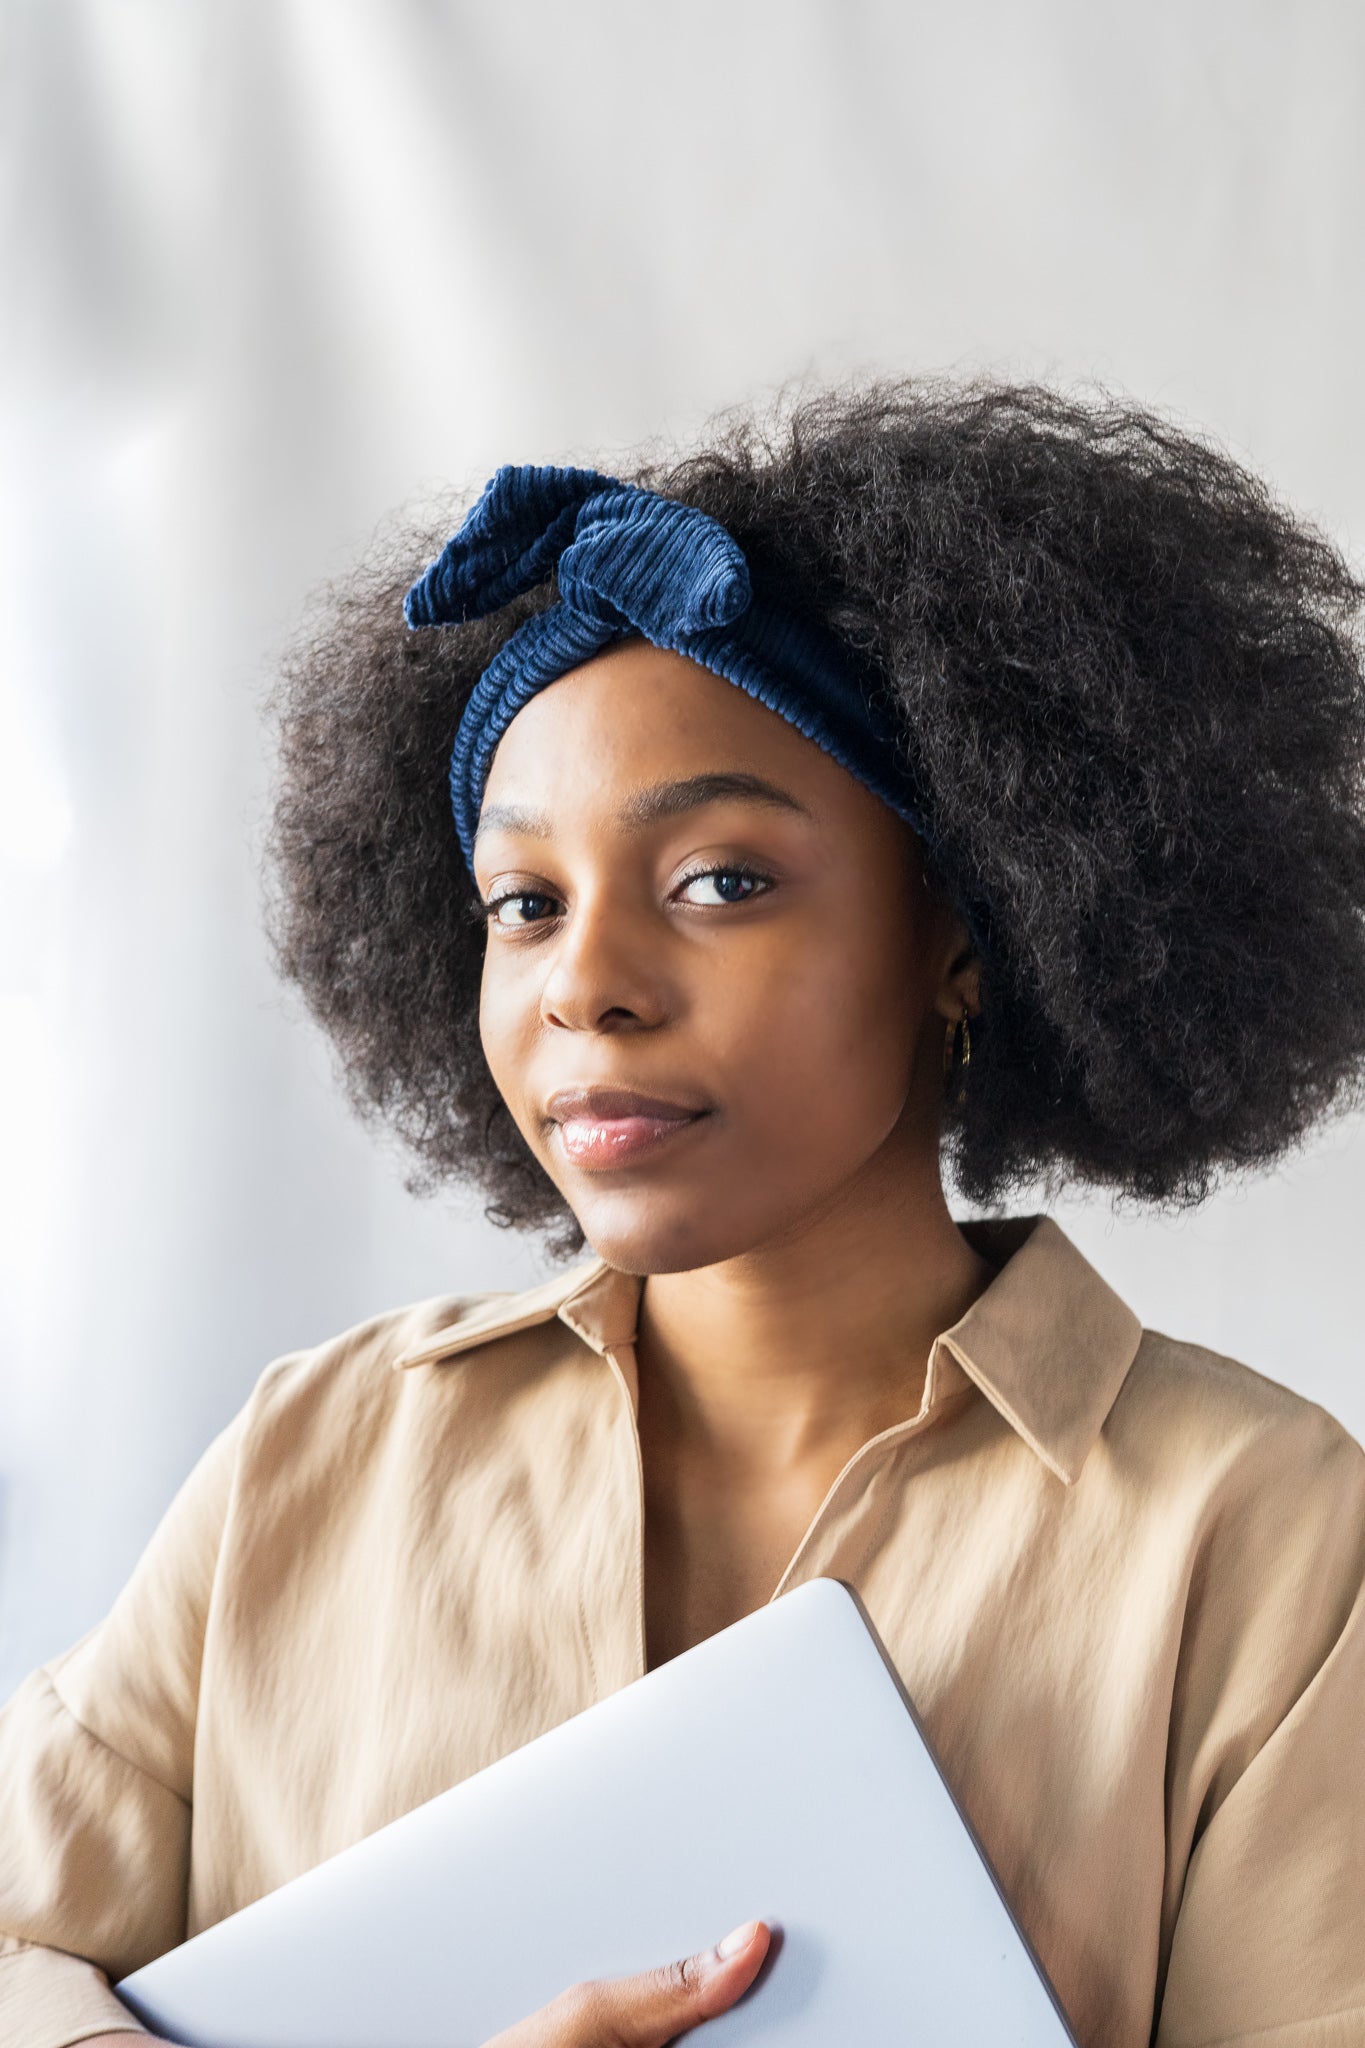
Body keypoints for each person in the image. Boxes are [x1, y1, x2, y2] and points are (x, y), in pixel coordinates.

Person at [3, 379, 1365, 2048]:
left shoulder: (1268, 1537)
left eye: (719, 880)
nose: (585, 985)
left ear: (969, 930)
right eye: (523, 901)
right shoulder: (318, 1450)